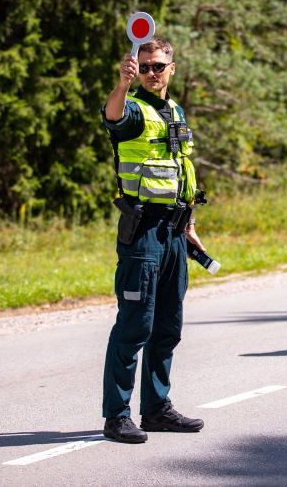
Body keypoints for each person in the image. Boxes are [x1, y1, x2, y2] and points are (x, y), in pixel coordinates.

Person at [100, 38, 206, 444]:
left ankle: (157, 409)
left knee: (167, 327)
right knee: (134, 326)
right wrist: (122, 85)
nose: (151, 73)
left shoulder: (175, 111)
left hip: (175, 233)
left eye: (158, 66)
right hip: (142, 234)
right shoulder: (132, 108)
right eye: (144, 67)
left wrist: (190, 224)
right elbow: (113, 118)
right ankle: (116, 416)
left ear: (171, 68)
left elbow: (181, 172)